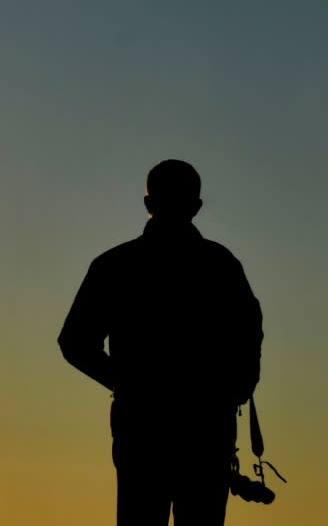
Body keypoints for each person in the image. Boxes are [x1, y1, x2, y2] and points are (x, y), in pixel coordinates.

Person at [57, 160, 263, 526]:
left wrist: (128, 384)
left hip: (146, 430)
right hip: (203, 429)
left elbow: (74, 342)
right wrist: (233, 389)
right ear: (197, 206)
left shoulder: (115, 265)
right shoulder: (221, 265)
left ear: (147, 204)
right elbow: (249, 333)